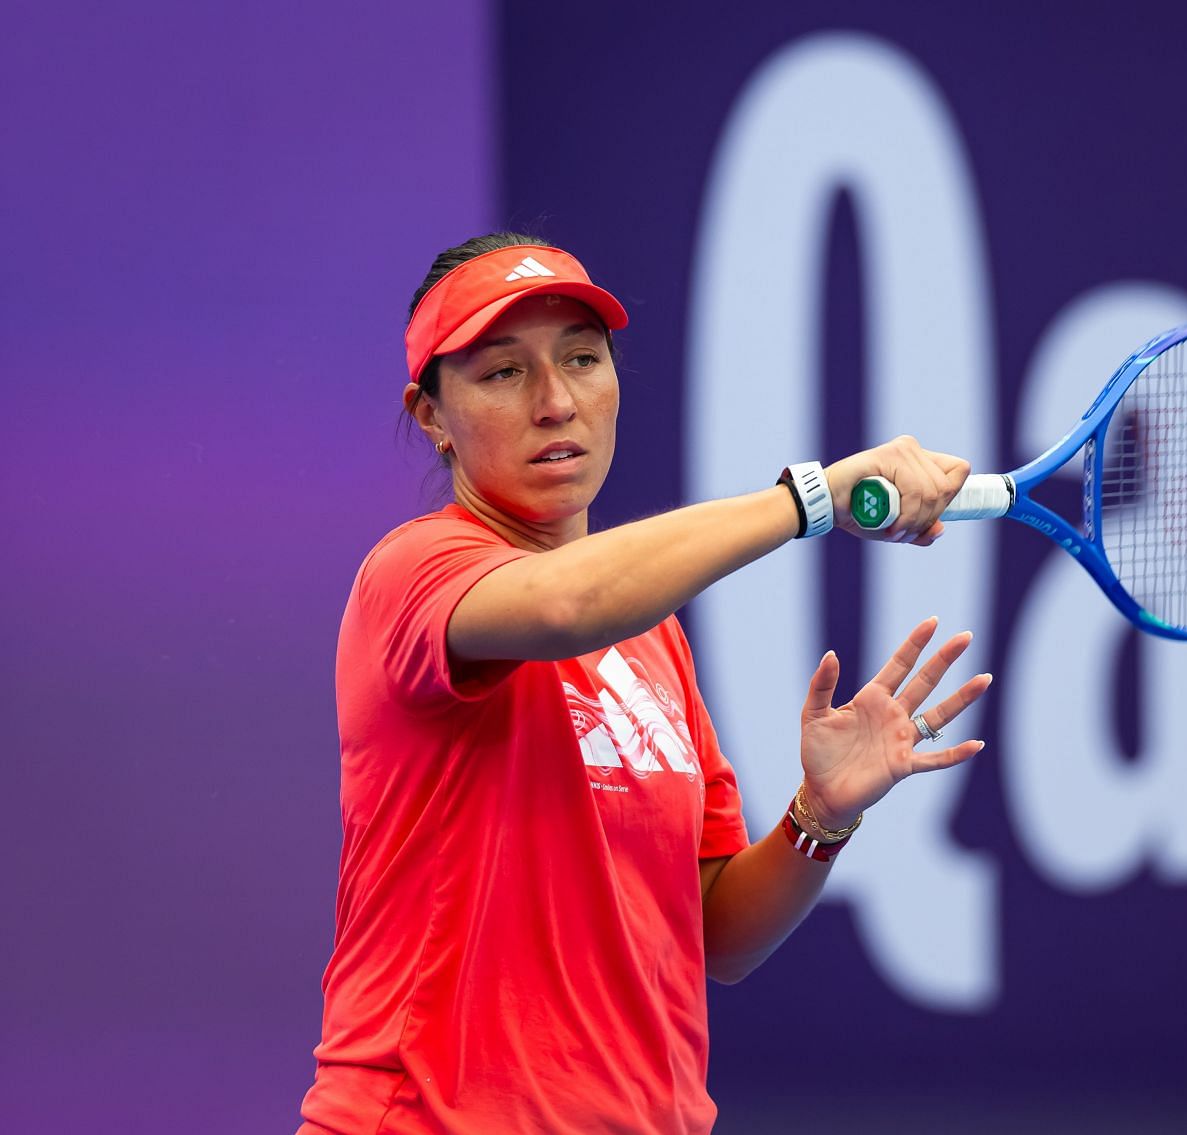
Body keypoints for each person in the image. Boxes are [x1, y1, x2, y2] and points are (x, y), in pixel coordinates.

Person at [297, 233, 991, 1135]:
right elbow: (566, 604)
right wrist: (811, 497)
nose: (556, 402)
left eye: (582, 360)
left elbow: (717, 937)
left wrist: (821, 816)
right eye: (502, 373)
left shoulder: (652, 636)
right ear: (431, 415)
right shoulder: (414, 573)